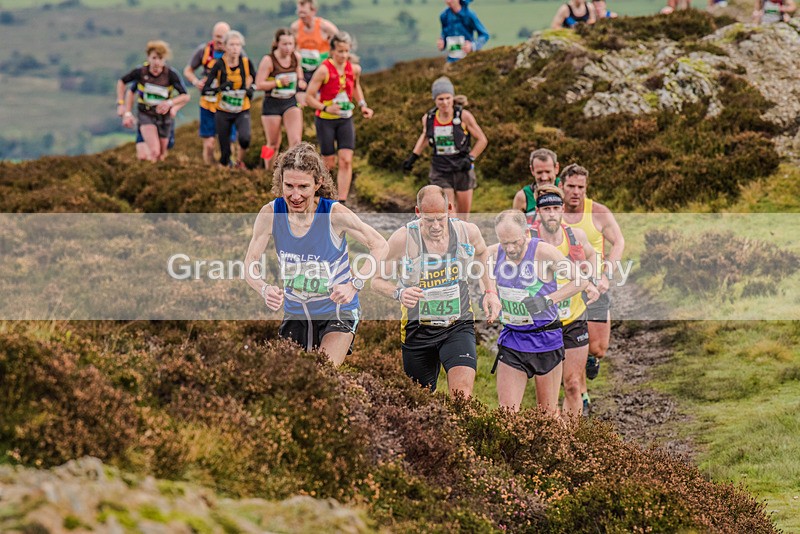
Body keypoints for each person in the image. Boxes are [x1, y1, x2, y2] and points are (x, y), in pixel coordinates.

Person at [244, 142, 388, 367]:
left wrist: (354, 284)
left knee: (323, 373)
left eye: (303, 187)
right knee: (292, 381)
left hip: (337, 311)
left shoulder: (334, 214)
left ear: (318, 183)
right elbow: (250, 263)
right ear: (280, 182)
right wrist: (264, 288)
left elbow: (380, 245)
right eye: (289, 186)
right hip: (296, 312)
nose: (295, 195)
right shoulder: (271, 213)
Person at [371, 185, 501, 397]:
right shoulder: (403, 238)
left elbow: (483, 253)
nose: (436, 226)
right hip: (418, 330)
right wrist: (399, 293)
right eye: (428, 220)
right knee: (420, 401)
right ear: (417, 212)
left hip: (457, 325)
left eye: (441, 218)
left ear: (450, 209)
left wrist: (490, 292)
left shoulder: (466, 231)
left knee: (462, 397)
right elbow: (376, 281)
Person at [489, 210, 590, 415]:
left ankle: (568, 446)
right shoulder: (493, 253)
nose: (510, 248)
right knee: (506, 414)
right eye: (504, 242)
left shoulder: (543, 252)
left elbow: (581, 280)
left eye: (515, 242)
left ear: (526, 233)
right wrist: (490, 293)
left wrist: (547, 300)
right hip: (513, 339)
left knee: (548, 416)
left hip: (546, 339)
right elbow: (476, 263)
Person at [559, 164, 625, 416]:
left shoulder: (597, 212)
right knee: (575, 342)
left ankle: (588, 362)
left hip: (595, 287)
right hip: (566, 291)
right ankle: (580, 392)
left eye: (581, 187)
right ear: (562, 185)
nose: (576, 192)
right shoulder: (554, 213)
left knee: (597, 348)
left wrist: (607, 274)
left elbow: (618, 241)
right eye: (571, 187)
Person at [532, 185, 600, 418]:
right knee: (546, 401)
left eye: (555, 208)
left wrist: (591, 280)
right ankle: (554, 442)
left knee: (572, 384)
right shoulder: (528, 239)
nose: (551, 213)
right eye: (546, 208)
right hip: (542, 324)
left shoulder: (575, 236)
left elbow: (592, 255)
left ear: (562, 210)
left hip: (573, 318)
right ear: (538, 212)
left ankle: (572, 441)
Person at [402, 77, 487, 220]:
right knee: (450, 214)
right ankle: (449, 241)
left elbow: (482, 139)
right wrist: (413, 157)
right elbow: (424, 136)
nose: (445, 102)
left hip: (462, 169)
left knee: (463, 218)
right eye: (440, 99)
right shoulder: (428, 118)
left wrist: (470, 158)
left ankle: (461, 241)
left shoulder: (464, 116)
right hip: (440, 169)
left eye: (448, 98)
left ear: (453, 97)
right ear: (434, 99)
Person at [305, 31, 374, 204]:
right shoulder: (323, 70)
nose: (343, 55)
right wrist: (326, 107)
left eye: (346, 51)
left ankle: (342, 201)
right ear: (332, 51)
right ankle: (325, 197)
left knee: (346, 160)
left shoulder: (354, 69)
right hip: (325, 120)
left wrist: (363, 105)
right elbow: (309, 97)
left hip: (345, 119)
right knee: (329, 163)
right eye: (340, 51)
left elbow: (356, 87)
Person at [117, 40, 189, 162]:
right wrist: (122, 106)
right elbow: (123, 83)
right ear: (148, 58)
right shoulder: (140, 72)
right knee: (154, 151)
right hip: (146, 114)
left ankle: (158, 176)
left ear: (165, 60)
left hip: (164, 117)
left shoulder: (171, 74)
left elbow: (185, 96)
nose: (156, 62)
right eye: (154, 58)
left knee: (161, 154)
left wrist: (170, 104)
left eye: (160, 59)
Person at [183, 22, 240, 165]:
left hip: (228, 104)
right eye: (217, 36)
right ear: (212, 36)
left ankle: (227, 170)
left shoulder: (236, 51)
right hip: (208, 103)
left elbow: (247, 72)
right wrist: (196, 82)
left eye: (223, 37)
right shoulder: (203, 51)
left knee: (228, 142)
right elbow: (188, 70)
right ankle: (209, 169)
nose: (220, 40)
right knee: (209, 143)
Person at [200, 30, 256, 168]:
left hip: (242, 109)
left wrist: (251, 90)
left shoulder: (246, 63)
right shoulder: (219, 65)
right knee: (225, 152)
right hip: (223, 112)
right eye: (231, 45)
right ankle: (224, 169)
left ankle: (239, 162)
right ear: (225, 46)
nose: (235, 48)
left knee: (245, 139)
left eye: (238, 45)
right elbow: (205, 90)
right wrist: (221, 88)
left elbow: (256, 80)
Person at [256, 28, 307, 170]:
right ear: (277, 43)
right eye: (284, 44)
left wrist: (301, 83)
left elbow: (300, 75)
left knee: (296, 141)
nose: (288, 48)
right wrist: (277, 83)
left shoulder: (296, 57)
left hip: (290, 101)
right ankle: (268, 171)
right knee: (272, 143)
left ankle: (293, 172)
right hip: (272, 103)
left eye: (291, 44)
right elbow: (259, 84)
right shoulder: (269, 60)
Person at [291, 0, 339, 105]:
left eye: (304, 13)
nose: (302, 16)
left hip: (321, 69)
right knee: (302, 102)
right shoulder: (295, 27)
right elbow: (292, 49)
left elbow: (339, 43)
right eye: (299, 13)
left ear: (313, 11)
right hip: (303, 70)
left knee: (319, 100)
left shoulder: (325, 27)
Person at [122, 80, 183, 160]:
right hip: (146, 118)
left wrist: (174, 108)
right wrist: (127, 113)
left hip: (164, 120)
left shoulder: (169, 75)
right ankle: (148, 169)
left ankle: (159, 169)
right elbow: (130, 91)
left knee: (161, 154)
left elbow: (185, 96)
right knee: (145, 156)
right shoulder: (142, 74)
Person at [512, 148, 560, 225]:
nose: (544, 177)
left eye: (548, 172)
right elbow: (515, 229)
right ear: (532, 170)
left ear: (556, 168)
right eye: (539, 172)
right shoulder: (523, 197)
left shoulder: (567, 189)